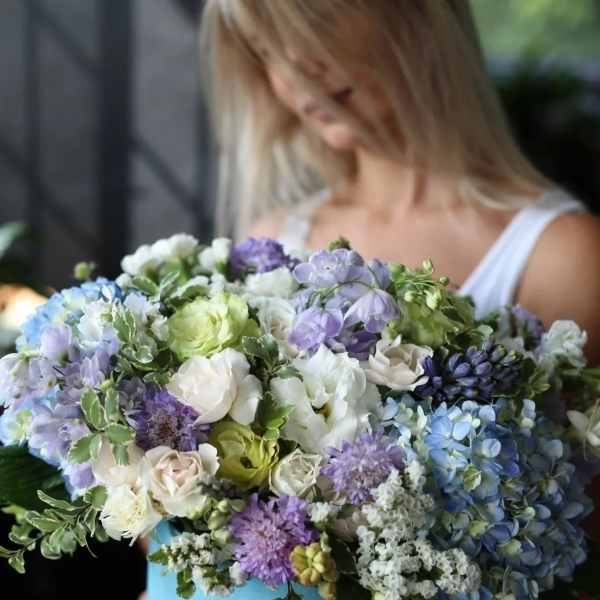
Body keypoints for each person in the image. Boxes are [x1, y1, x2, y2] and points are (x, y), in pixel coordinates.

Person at [145, 1, 600, 598]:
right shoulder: (272, 239)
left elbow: (574, 553)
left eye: (313, 27)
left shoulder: (561, 256)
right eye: (267, 49)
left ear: (416, 14)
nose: (293, 71)